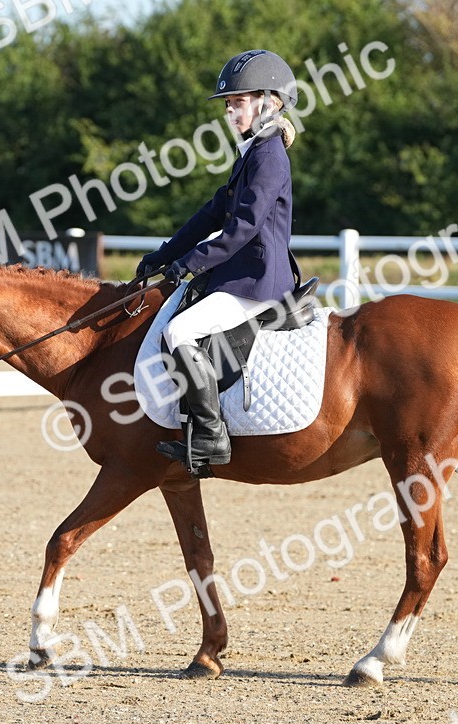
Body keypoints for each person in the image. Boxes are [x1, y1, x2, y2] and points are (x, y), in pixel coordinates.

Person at [136, 49, 300, 478]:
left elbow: (242, 229)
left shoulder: (269, 158)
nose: (230, 111)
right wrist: (166, 254)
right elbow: (211, 214)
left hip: (258, 280)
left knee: (179, 329)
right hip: (238, 274)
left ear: (270, 102)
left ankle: (210, 433)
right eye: (229, 104)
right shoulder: (251, 153)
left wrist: (190, 263)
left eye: (238, 102)